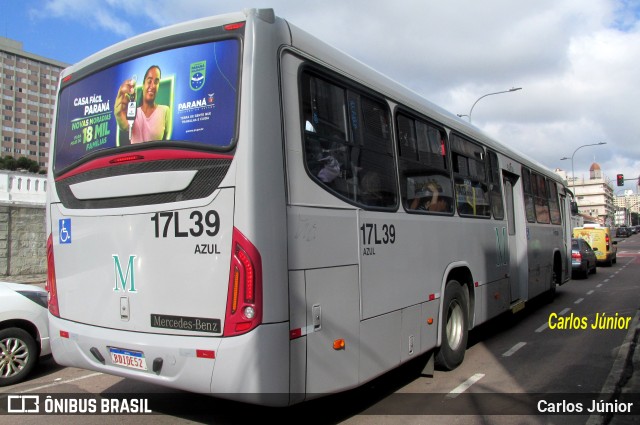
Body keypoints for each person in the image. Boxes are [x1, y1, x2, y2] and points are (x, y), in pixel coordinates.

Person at [115, 65, 170, 144]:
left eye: (156, 82)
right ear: (143, 85)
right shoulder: (133, 112)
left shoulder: (165, 110)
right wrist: (119, 116)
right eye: (149, 81)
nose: (153, 86)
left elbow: (168, 139)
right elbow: (124, 126)